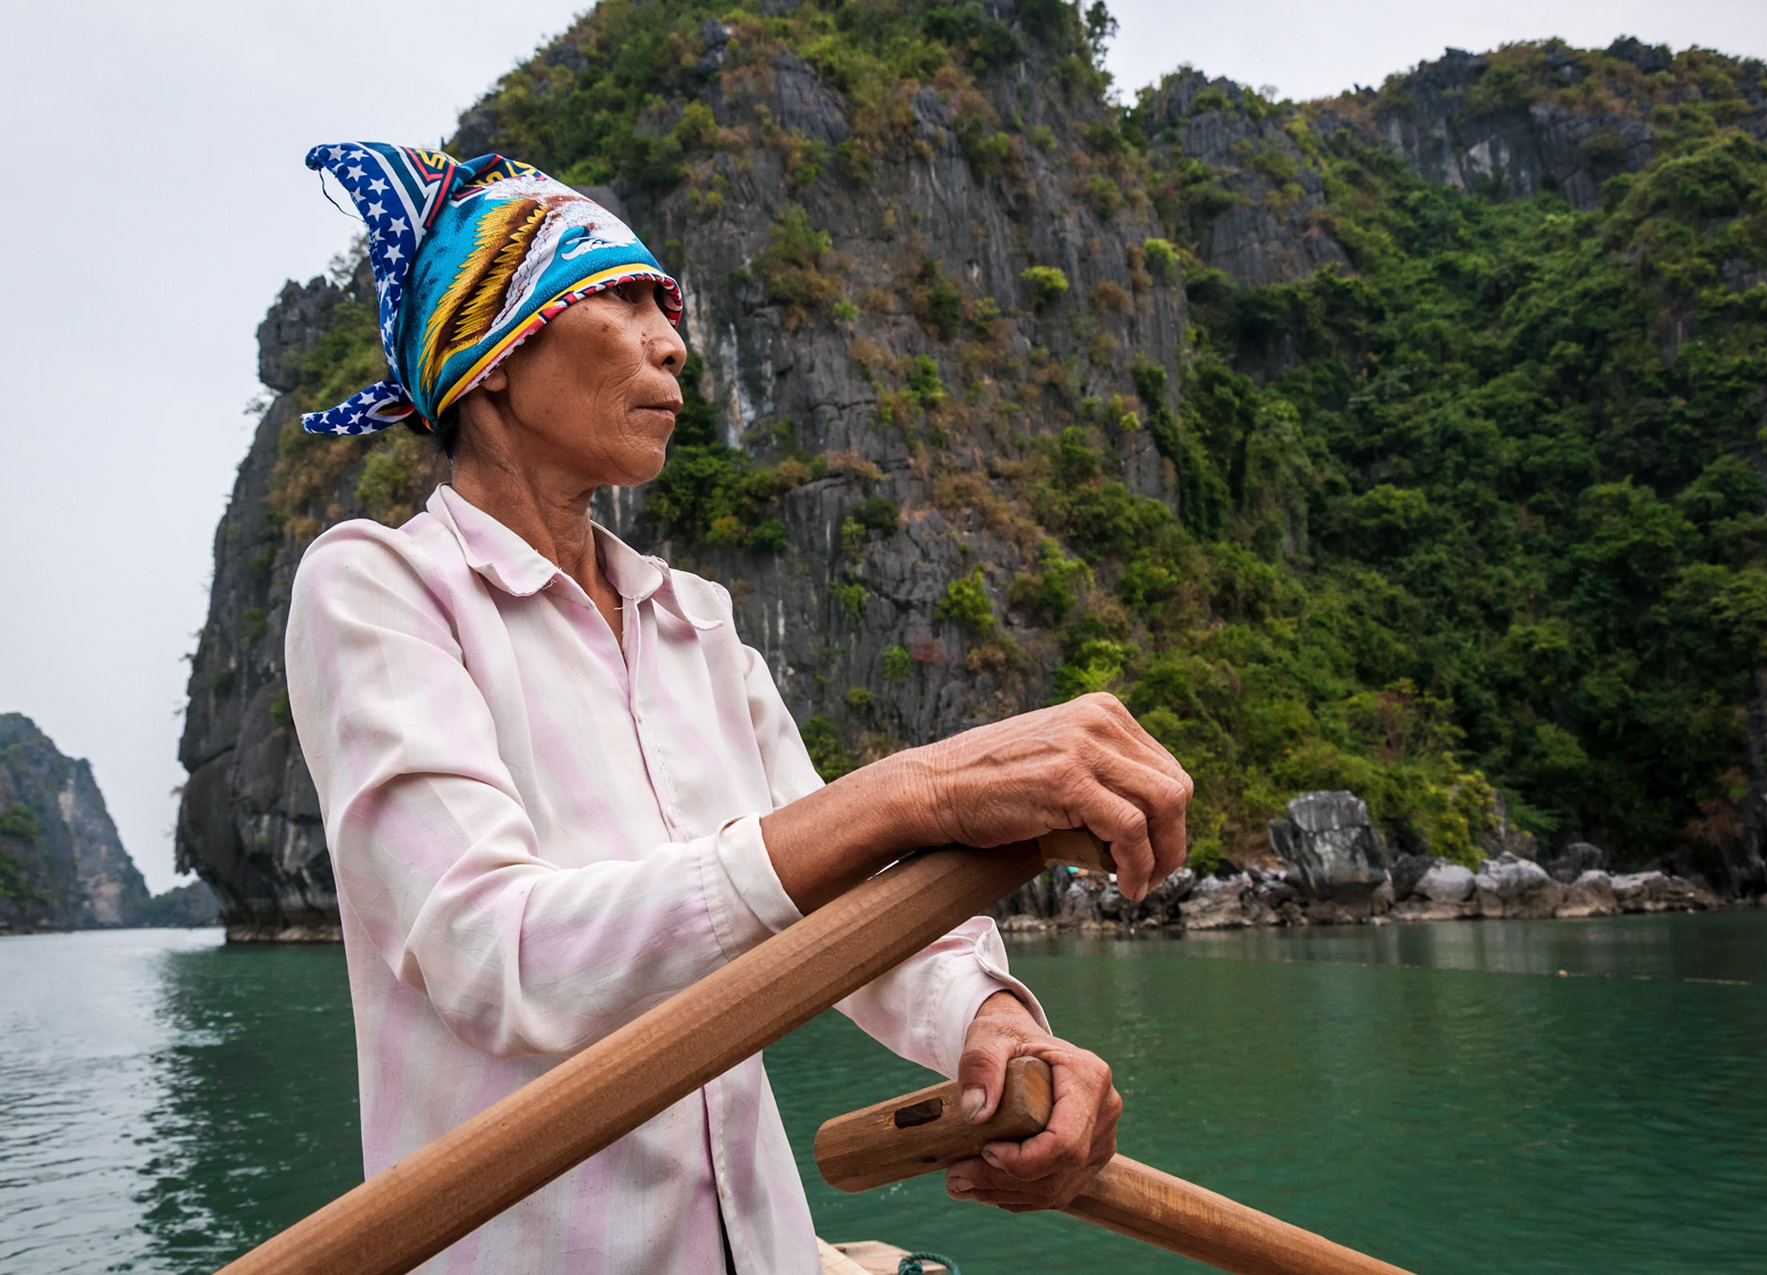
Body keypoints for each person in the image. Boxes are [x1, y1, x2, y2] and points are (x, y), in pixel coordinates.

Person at [284, 142, 1192, 1273]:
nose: (672, 340)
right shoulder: (379, 588)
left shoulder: (695, 625)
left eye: (666, 308)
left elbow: (850, 905)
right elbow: (494, 955)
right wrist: (915, 792)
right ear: (497, 356)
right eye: (620, 298)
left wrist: (991, 1023)